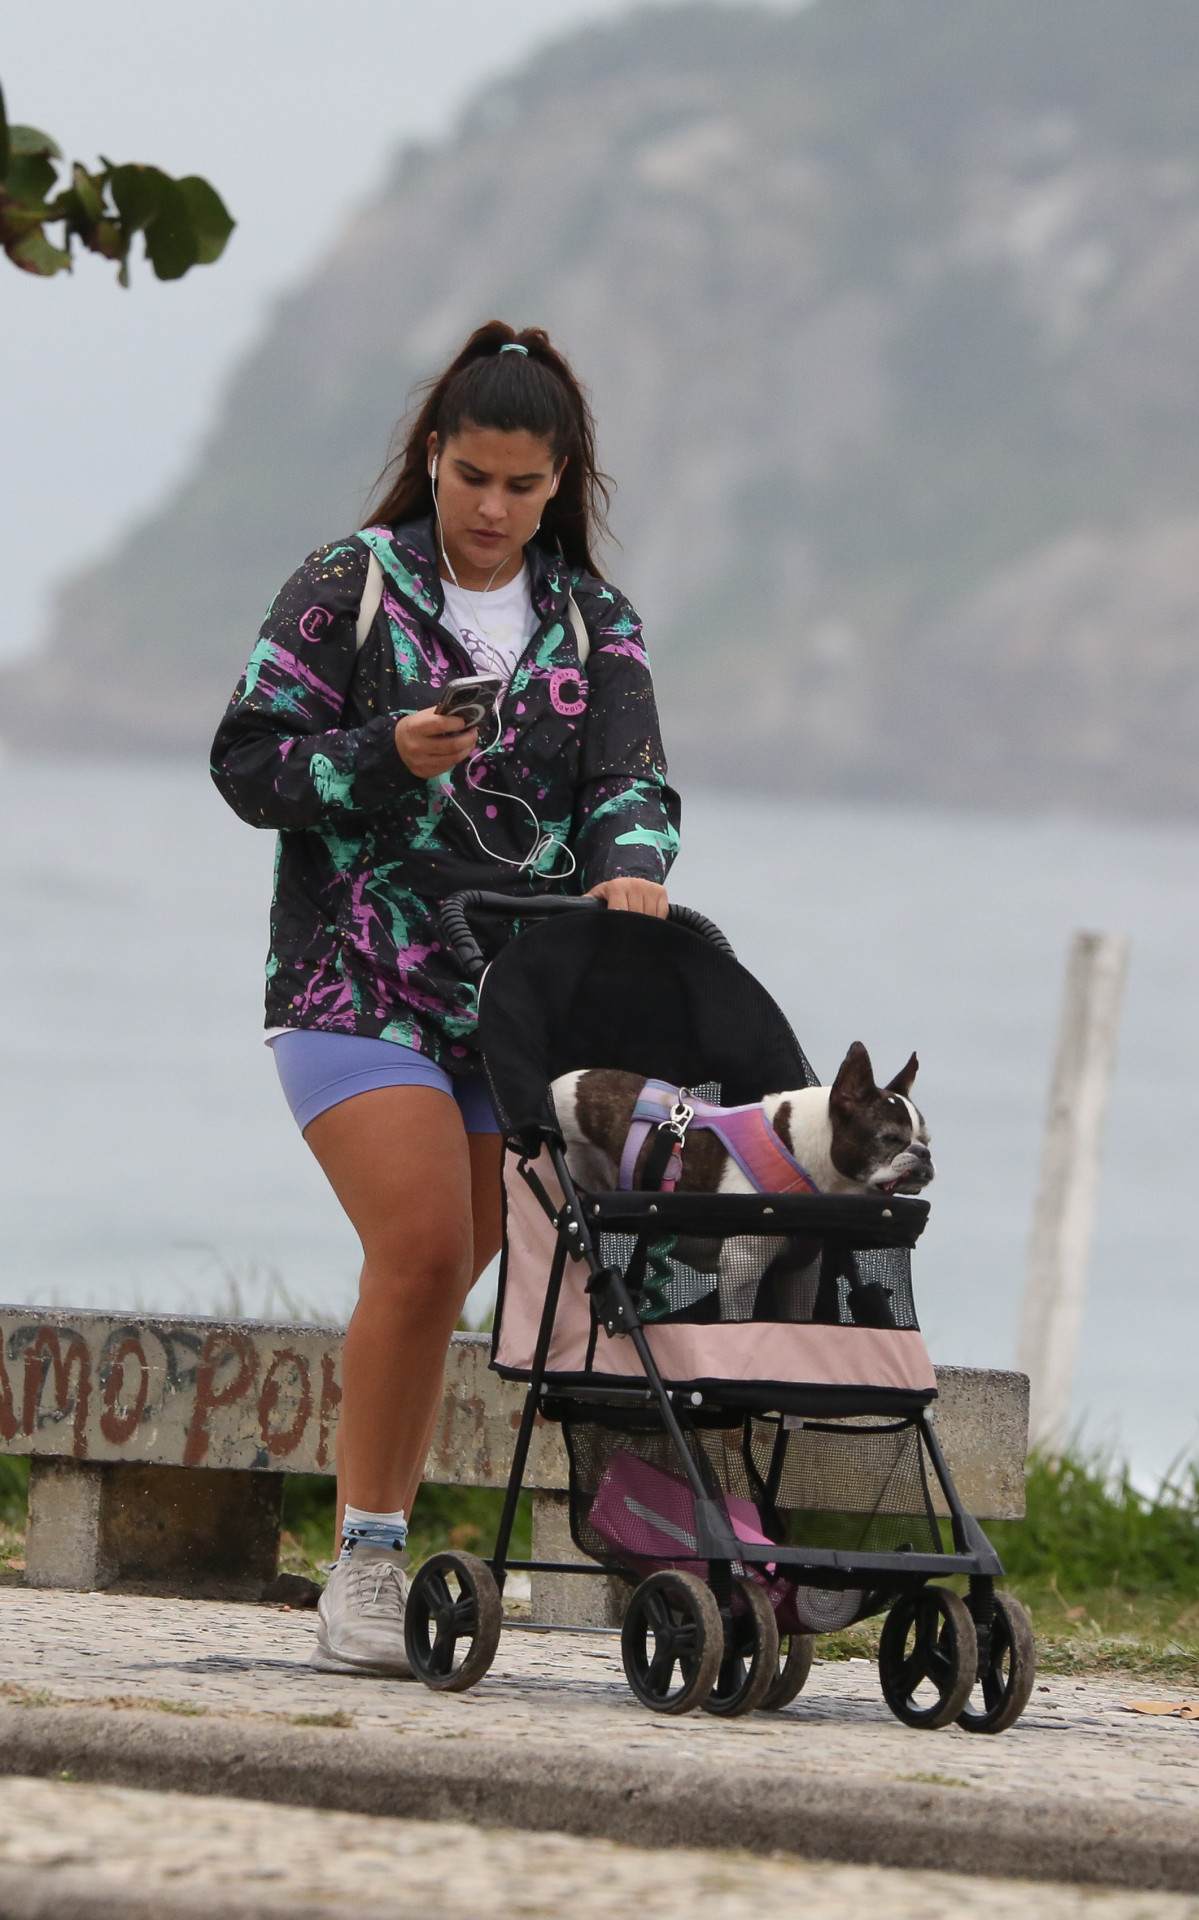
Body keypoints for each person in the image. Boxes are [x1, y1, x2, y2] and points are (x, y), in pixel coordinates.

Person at [210, 320, 680, 1674]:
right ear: (433, 457)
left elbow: (631, 789)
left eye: (522, 487)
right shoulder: (345, 583)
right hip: (348, 980)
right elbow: (248, 766)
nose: (491, 509)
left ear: (560, 481)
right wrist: (382, 755)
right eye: (470, 476)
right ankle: (363, 1566)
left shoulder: (599, 625)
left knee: (445, 1272)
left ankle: (385, 1519)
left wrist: (633, 871)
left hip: (518, 1006)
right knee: (419, 1249)